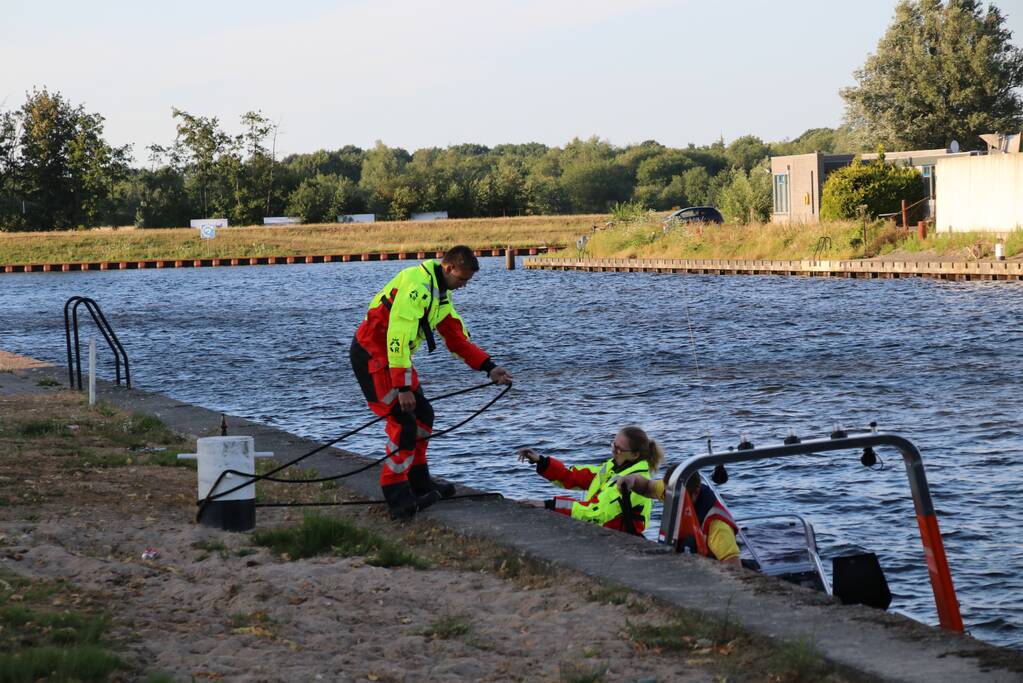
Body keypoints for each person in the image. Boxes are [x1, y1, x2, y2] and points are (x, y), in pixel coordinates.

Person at [350, 245, 513, 520]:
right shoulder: (417, 287)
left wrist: (489, 367)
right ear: (448, 268)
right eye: (462, 280)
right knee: (403, 423)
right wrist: (402, 388)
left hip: (395, 358)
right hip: (374, 357)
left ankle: (419, 480)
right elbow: (398, 337)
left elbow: (456, 339)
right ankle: (397, 496)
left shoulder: (440, 294)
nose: (463, 286)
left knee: (424, 414)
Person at [515, 426, 664, 534]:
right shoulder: (612, 467)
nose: (613, 451)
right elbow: (572, 477)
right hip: (603, 534)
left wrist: (548, 505)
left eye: (619, 449)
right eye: (613, 445)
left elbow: (595, 512)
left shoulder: (632, 482)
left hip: (618, 541)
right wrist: (541, 461)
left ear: (635, 455)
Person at [617, 464, 741, 565]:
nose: (671, 502)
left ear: (696, 493)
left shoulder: (717, 526)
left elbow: (734, 569)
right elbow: (648, 487)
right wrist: (631, 479)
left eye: (678, 499)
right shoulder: (673, 490)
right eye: (667, 496)